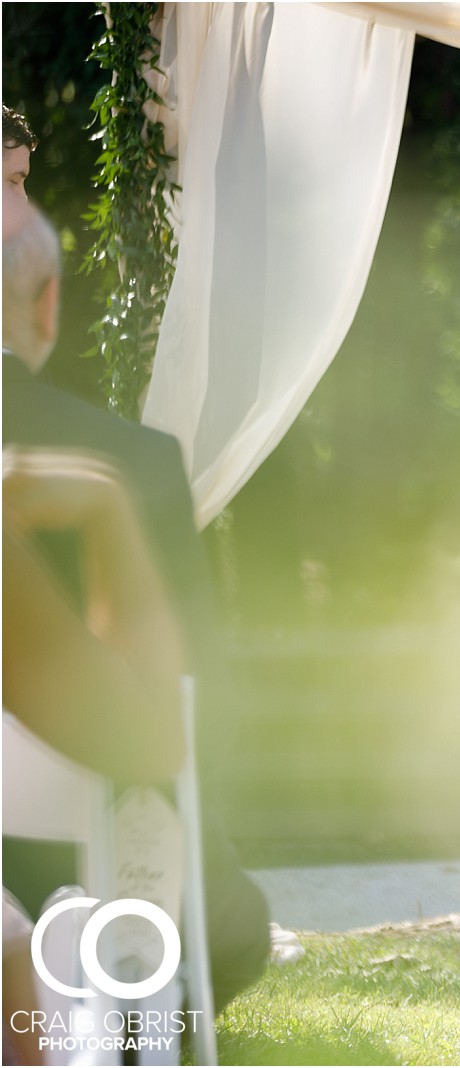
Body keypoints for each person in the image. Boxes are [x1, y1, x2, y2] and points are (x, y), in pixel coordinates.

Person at [1, 196, 271, 1011]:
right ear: (49, 302)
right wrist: (105, 512)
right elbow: (177, 737)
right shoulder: (129, 464)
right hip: (100, 894)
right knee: (231, 924)